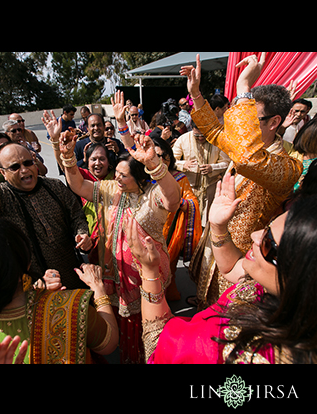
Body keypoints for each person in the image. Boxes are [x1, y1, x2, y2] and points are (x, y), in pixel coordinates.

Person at [45, 94, 181, 363]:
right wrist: (68, 158)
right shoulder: (108, 189)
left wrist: (154, 164)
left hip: (146, 274)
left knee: (150, 322)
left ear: (140, 178)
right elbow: (78, 186)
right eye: (116, 172)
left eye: (123, 175)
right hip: (114, 269)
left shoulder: (151, 198)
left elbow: (172, 197)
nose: (116, 177)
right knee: (121, 320)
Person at [135, 170, 317, 363]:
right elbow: (232, 268)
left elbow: (158, 346)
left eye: (268, 243)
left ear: (302, 278)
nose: (255, 235)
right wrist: (218, 227)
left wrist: (150, 272)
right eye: (268, 226)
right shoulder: (276, 290)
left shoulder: (222, 346)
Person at [181, 53, 302, 310]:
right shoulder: (244, 150)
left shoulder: (289, 167)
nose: (242, 124)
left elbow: (249, 159)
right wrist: (196, 94)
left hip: (246, 262)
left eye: (251, 117)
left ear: (275, 122)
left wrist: (244, 89)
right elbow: (214, 131)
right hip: (217, 250)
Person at [0, 83, 92, 290]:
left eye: (28, 163)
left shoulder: (54, 186)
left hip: (73, 279)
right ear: (2, 172)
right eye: (15, 167)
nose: (24, 170)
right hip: (30, 290)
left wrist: (82, 233)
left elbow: (76, 214)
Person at [0, 216, 118, 363]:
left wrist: (39, 288)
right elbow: (108, 343)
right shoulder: (70, 306)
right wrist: (98, 288)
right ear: (22, 261)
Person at [153, 137, 202, 301]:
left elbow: (192, 201)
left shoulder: (179, 178)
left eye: (164, 156)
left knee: (168, 268)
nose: (160, 160)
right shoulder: (143, 179)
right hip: (148, 230)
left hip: (171, 232)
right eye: (155, 156)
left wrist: (179, 202)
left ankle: (167, 295)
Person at [171, 125, 231, 226]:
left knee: (208, 222)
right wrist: (184, 164)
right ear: (192, 129)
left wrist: (212, 168)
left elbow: (227, 163)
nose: (200, 138)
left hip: (210, 189)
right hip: (188, 190)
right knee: (186, 223)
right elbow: (171, 161)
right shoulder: (183, 139)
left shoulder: (217, 140)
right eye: (197, 135)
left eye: (203, 135)